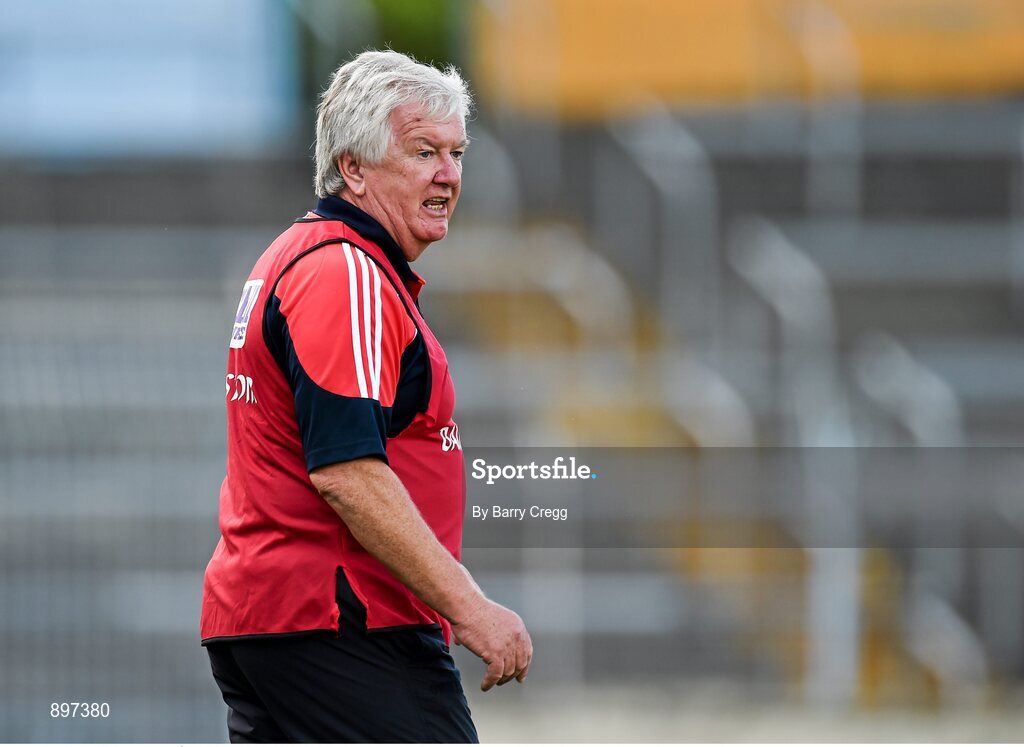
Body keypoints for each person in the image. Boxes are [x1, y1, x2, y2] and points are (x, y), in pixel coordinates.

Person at [200, 50, 532, 743]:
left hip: (288, 621)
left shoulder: (310, 258)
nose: (448, 175)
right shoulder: (344, 271)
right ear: (353, 167)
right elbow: (347, 471)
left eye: (456, 153)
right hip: (345, 623)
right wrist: (469, 606)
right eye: (423, 152)